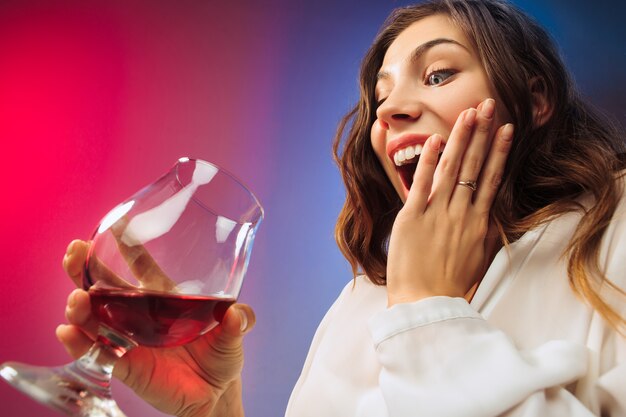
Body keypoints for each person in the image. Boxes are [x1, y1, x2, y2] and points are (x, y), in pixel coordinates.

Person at [58, 0, 626, 415]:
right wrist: (210, 413)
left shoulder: (614, 231)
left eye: (438, 75)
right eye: (381, 97)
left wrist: (430, 313)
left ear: (535, 98)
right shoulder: (365, 301)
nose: (392, 110)